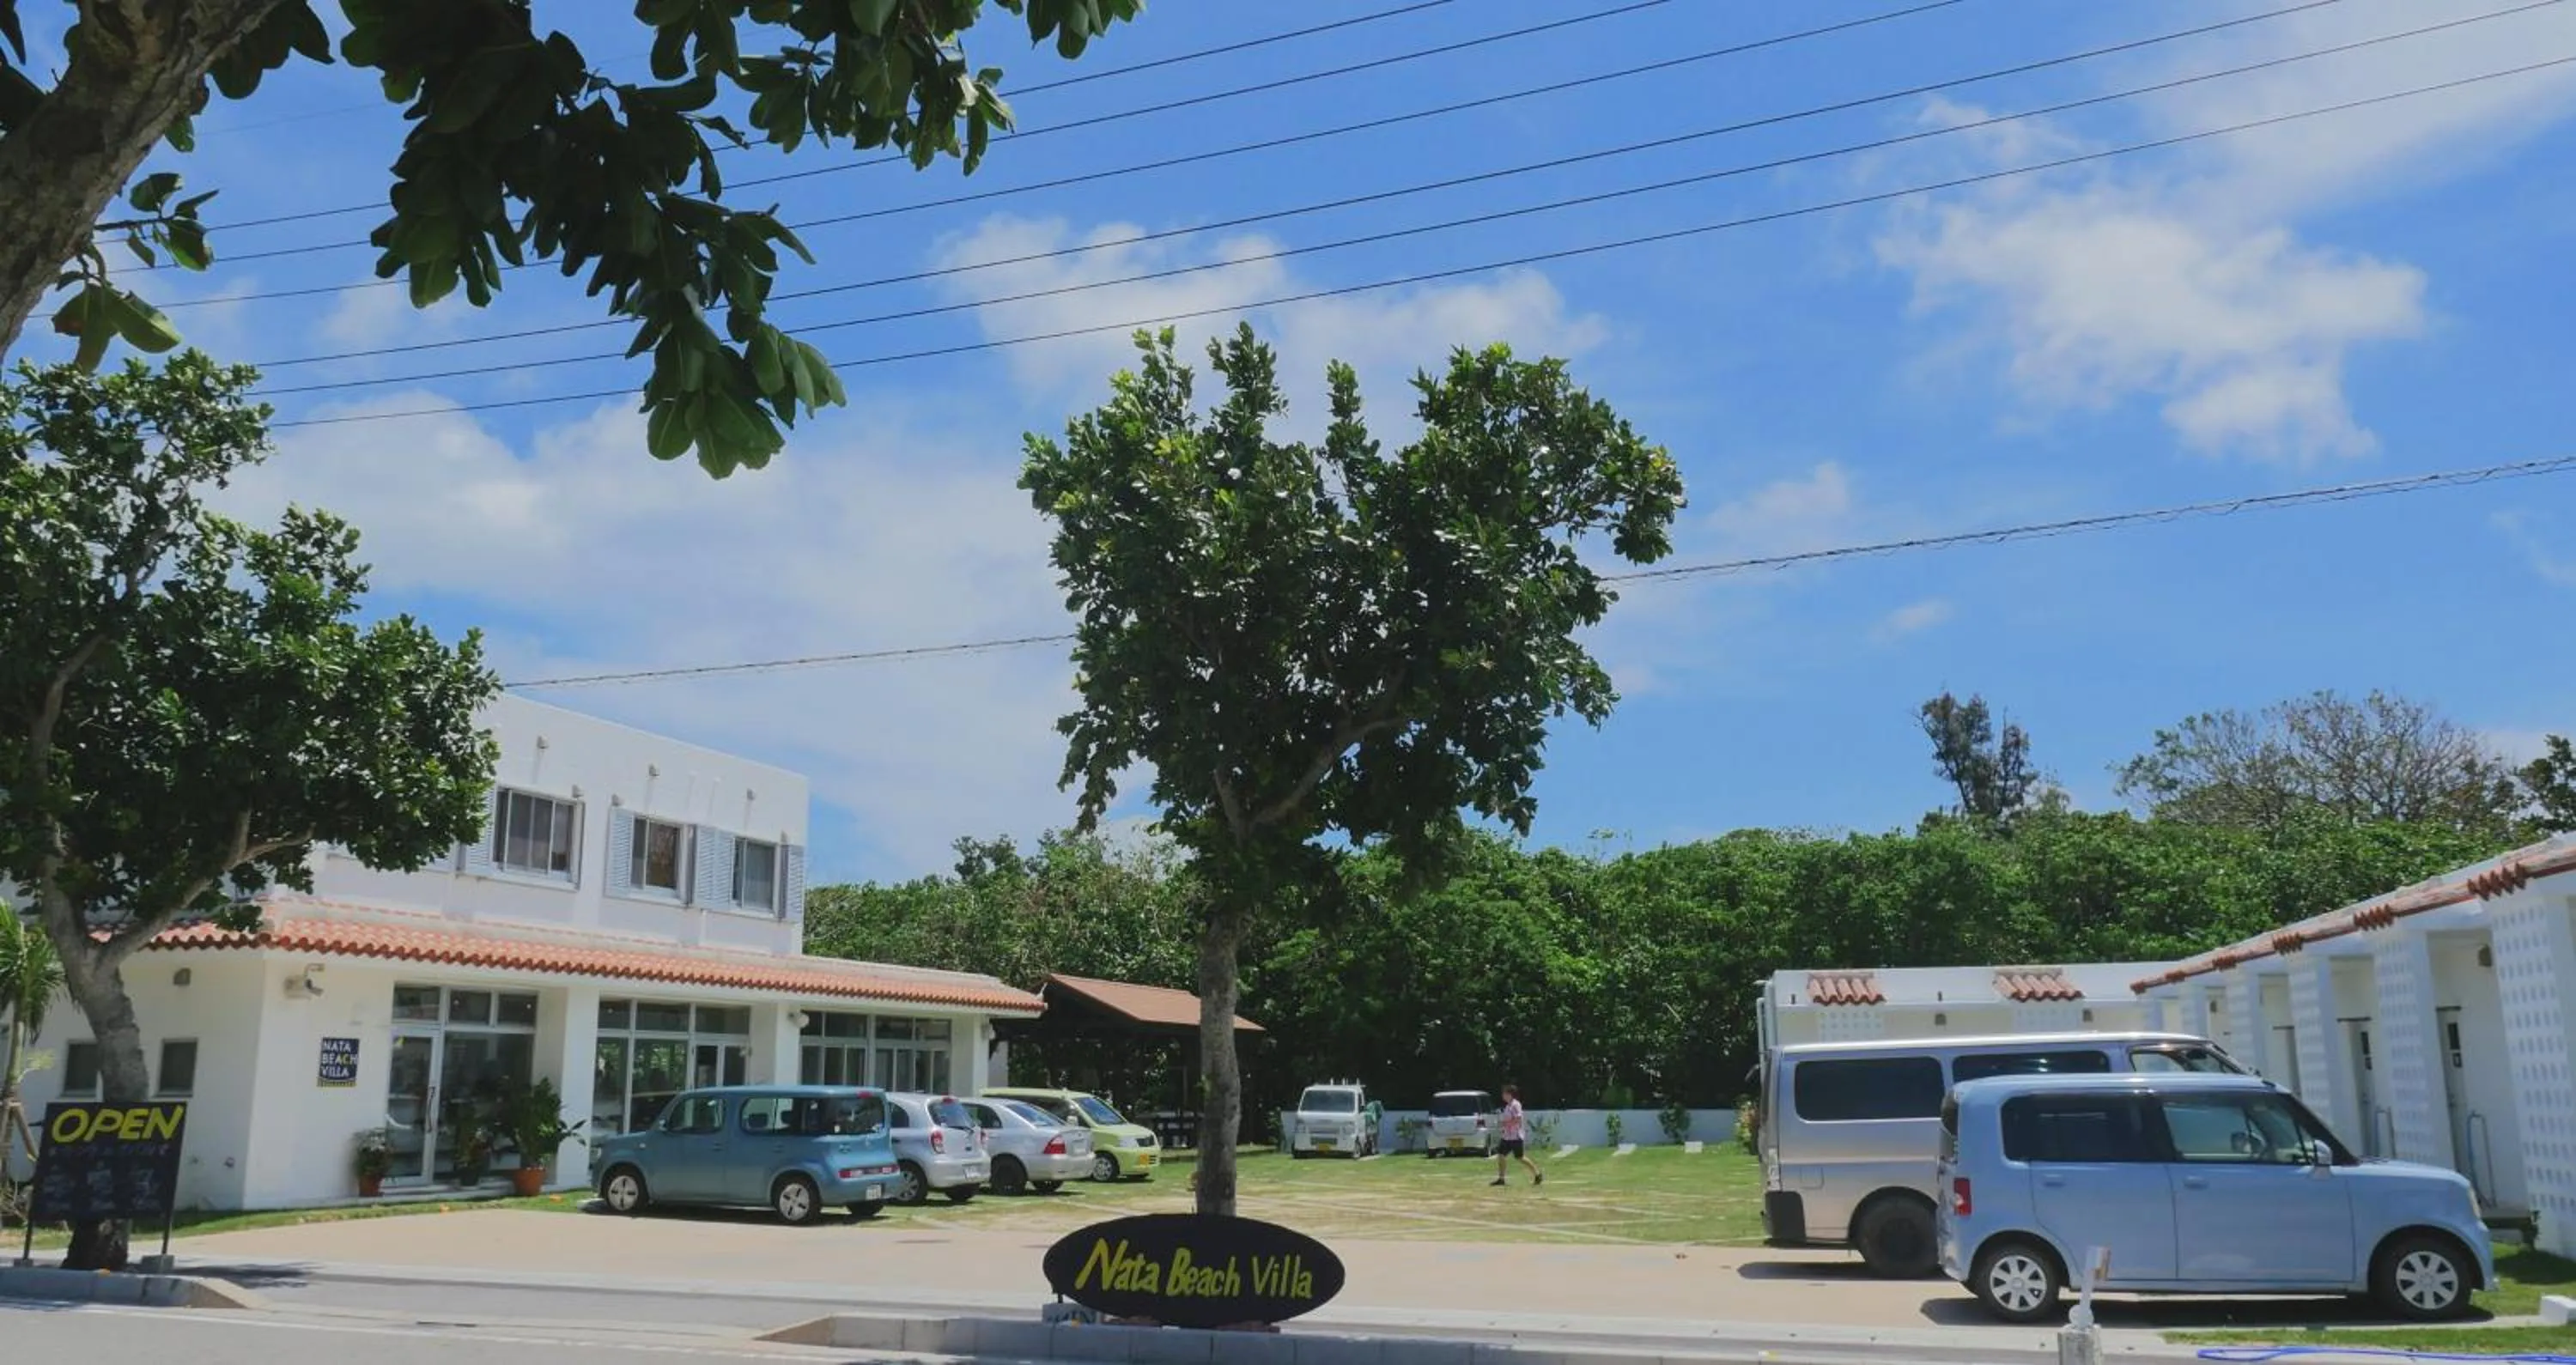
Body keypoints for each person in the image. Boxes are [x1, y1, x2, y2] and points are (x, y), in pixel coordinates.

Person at [1491, 1084, 1543, 1187]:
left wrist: (1505, 1123)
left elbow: (1518, 1119)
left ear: (1509, 1094)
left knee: (1520, 1157)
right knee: (1501, 1155)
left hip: (1516, 1136)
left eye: (1504, 1093)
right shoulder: (1508, 1106)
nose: (1503, 1095)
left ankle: (1537, 1174)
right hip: (1507, 1136)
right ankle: (1501, 1179)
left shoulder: (1515, 1105)